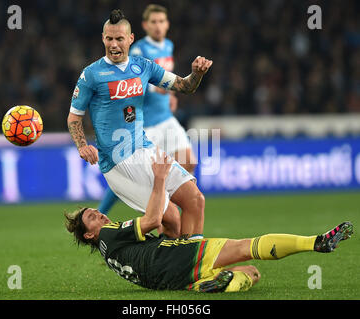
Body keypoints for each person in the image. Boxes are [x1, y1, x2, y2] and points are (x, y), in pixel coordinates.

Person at [65, 149, 354, 293]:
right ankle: (316, 243)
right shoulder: (109, 235)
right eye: (92, 218)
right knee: (246, 246)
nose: (100, 215)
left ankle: (219, 283)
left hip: (169, 281)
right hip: (171, 261)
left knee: (251, 272)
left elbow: (159, 227)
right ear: (89, 235)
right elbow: (152, 219)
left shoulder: (109, 249)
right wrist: (160, 178)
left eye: (96, 211)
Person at [67, 9, 213, 239]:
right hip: (118, 163)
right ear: (103, 38)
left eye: (119, 39)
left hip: (145, 149)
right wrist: (82, 146)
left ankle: (194, 264)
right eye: (109, 38)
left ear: (130, 39)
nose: (114, 45)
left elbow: (185, 85)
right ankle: (176, 268)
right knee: (172, 219)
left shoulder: (144, 66)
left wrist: (197, 74)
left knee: (196, 200)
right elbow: (74, 117)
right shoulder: (91, 75)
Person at [98, 4, 197, 216]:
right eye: (153, 22)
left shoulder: (168, 45)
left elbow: (164, 77)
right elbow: (133, 81)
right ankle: (102, 211)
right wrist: (157, 90)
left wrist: (170, 94)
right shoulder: (138, 50)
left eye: (161, 21)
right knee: (128, 176)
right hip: (145, 125)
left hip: (166, 119)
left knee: (189, 161)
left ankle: (170, 210)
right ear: (145, 25)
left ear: (167, 24)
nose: (158, 26)